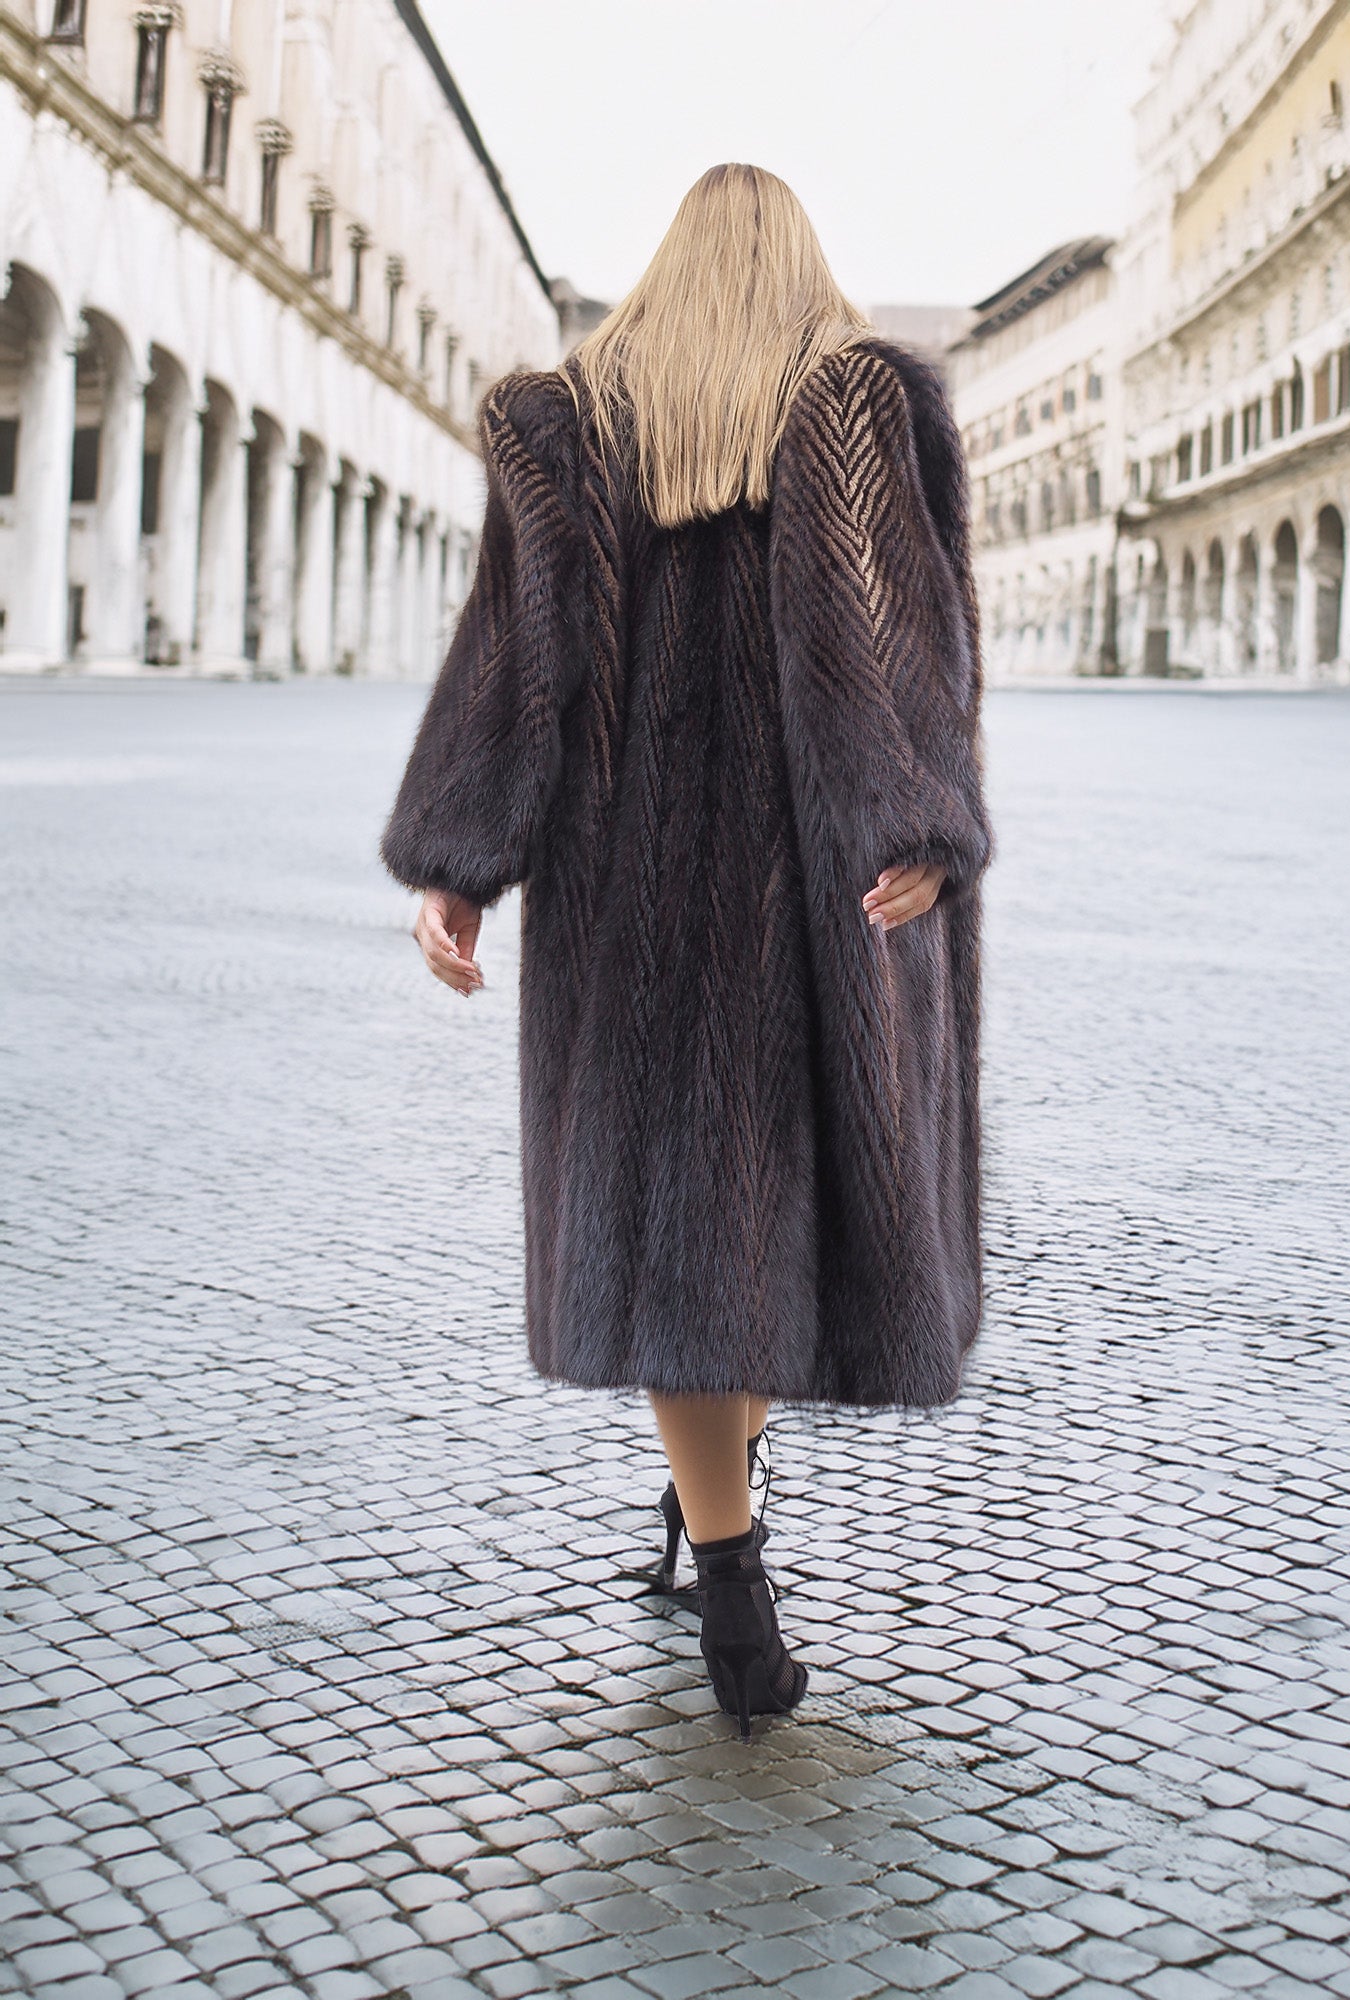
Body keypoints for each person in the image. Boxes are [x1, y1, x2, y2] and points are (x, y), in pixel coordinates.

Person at [380, 163, 993, 1741]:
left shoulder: (564, 424)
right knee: (768, 1211)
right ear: (799, 261)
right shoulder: (849, 394)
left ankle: (711, 1528)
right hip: (795, 901)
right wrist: (913, 817)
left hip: (618, 905)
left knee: (667, 1240)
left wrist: (461, 861)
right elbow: (889, 638)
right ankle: (732, 1570)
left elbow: (512, 655)